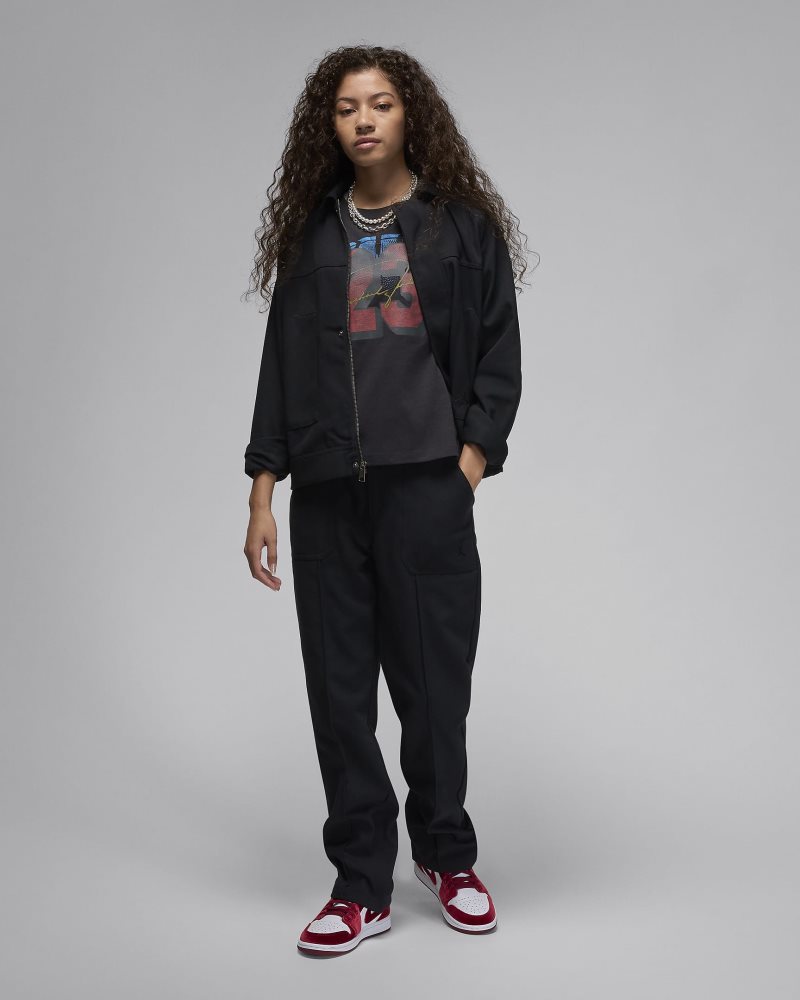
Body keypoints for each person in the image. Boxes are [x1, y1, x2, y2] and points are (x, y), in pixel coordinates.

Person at [243, 45, 532, 955]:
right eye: (345, 107)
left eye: (380, 103)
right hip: (328, 496)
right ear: (327, 127)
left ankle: (447, 858)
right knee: (340, 698)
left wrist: (467, 467)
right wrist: (262, 491)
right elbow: (280, 370)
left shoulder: (461, 230)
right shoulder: (313, 237)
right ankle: (360, 885)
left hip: (427, 492)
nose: (363, 120)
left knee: (434, 693)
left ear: (411, 116)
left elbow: (498, 356)